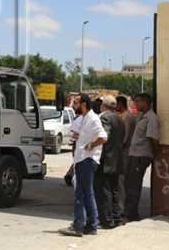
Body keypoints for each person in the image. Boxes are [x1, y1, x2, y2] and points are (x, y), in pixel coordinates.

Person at [59, 94, 108, 237]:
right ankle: (91, 225)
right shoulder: (83, 118)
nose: (74, 105)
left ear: (84, 104)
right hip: (81, 159)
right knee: (87, 193)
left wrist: (91, 145)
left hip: (87, 159)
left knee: (80, 194)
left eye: (76, 102)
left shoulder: (93, 118)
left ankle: (78, 226)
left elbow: (103, 137)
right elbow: (75, 134)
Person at [124, 93, 160, 222]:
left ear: (145, 102)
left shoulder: (151, 118)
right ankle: (128, 212)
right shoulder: (141, 116)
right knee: (129, 184)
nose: (136, 104)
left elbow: (153, 139)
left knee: (134, 185)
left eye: (138, 102)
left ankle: (131, 214)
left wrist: (153, 154)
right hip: (134, 154)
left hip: (141, 155)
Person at [94, 96, 125, 229]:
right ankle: (117, 217)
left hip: (105, 160)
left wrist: (92, 145)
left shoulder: (105, 118)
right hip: (117, 159)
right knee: (114, 190)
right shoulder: (120, 118)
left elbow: (104, 137)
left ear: (103, 105)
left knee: (104, 190)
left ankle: (107, 220)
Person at [115, 95, 136, 222]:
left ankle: (122, 209)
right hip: (125, 151)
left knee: (122, 181)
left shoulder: (126, 117)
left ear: (120, 104)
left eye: (116, 104)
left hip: (124, 152)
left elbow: (125, 136)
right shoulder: (125, 116)